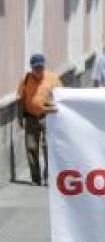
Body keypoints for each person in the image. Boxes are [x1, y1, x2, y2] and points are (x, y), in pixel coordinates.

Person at [17, 54, 60, 186]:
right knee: (31, 147)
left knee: (48, 147)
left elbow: (61, 96)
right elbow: (20, 99)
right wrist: (19, 117)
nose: (38, 71)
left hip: (48, 117)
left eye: (41, 67)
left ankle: (48, 176)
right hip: (30, 117)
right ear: (31, 67)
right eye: (36, 68)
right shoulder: (25, 79)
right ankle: (35, 178)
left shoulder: (52, 78)